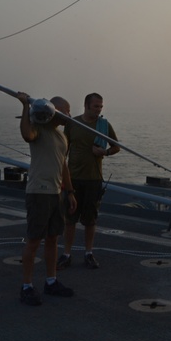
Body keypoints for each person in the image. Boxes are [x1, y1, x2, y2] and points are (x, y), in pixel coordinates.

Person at [16, 92, 78, 306]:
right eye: (66, 111)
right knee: (34, 240)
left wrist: (70, 192)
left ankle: (51, 281)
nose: (69, 115)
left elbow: (63, 165)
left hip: (56, 193)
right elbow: (26, 135)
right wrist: (25, 106)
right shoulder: (38, 128)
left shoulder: (62, 137)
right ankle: (26, 286)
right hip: (38, 193)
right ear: (54, 111)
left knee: (53, 238)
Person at [59, 92, 120, 270]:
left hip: (94, 179)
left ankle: (88, 253)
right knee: (70, 219)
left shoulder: (104, 125)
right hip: (73, 178)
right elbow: (64, 151)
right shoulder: (73, 124)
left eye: (101, 106)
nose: (99, 109)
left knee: (90, 220)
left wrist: (105, 152)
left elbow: (116, 147)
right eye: (96, 106)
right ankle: (66, 254)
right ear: (86, 105)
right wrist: (62, 176)